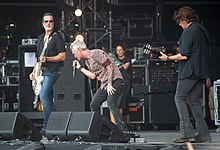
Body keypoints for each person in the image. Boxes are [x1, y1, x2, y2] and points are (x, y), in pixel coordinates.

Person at [159, 6, 211, 143]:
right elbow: (203, 52)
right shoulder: (202, 30)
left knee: (179, 98)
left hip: (189, 71)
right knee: (194, 101)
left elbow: (184, 55)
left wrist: (168, 58)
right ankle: (204, 134)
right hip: (201, 72)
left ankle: (187, 133)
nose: (180, 26)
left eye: (180, 22)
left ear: (184, 19)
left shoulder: (189, 31)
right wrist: (207, 75)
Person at [69, 40, 128, 134]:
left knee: (111, 103)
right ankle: (104, 127)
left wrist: (109, 84)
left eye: (74, 53)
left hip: (115, 80)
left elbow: (110, 67)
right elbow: (93, 76)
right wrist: (80, 68)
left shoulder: (95, 53)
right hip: (105, 84)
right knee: (94, 104)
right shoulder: (87, 61)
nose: (74, 56)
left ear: (79, 50)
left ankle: (123, 129)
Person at [29, 12, 66, 135]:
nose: (48, 23)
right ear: (42, 24)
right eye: (46, 21)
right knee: (47, 99)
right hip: (41, 72)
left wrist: (48, 59)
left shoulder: (57, 37)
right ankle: (56, 125)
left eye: (50, 21)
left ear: (54, 23)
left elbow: (63, 56)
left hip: (52, 71)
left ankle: (47, 126)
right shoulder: (40, 38)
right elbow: (38, 57)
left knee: (44, 96)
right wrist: (34, 71)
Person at [109, 45, 132, 125]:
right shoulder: (115, 59)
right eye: (117, 50)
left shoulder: (127, 59)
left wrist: (116, 65)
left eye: (120, 50)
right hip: (118, 81)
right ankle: (118, 123)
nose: (118, 52)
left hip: (125, 81)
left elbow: (124, 68)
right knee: (117, 103)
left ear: (124, 51)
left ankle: (125, 123)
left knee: (124, 102)